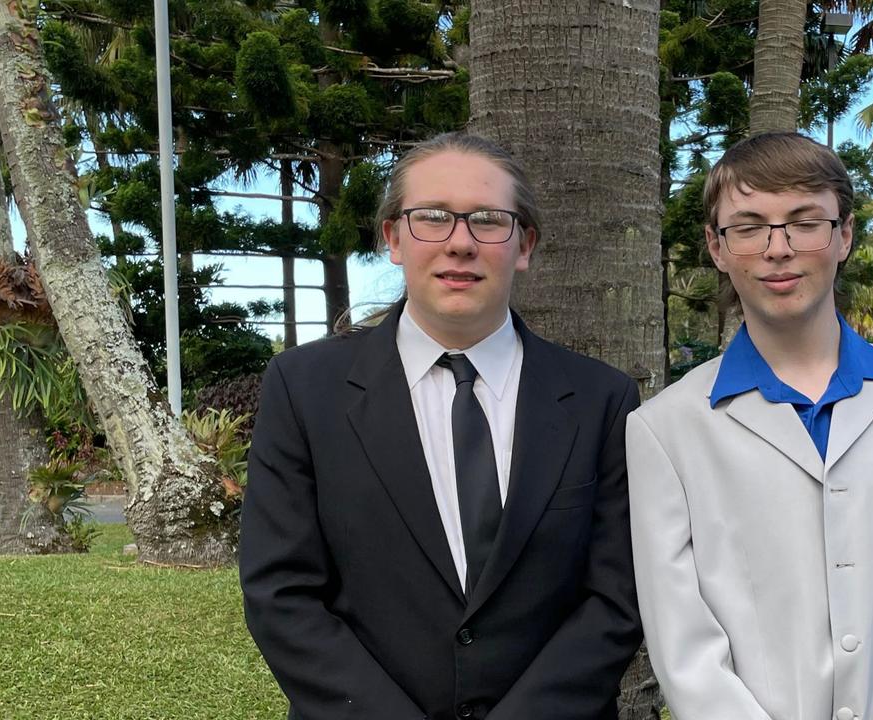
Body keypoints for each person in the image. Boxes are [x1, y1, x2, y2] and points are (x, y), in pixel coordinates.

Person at [240, 132, 643, 720]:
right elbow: (281, 592)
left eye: (487, 220)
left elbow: (616, 599)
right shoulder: (304, 389)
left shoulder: (601, 399)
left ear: (524, 245)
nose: (460, 244)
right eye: (432, 218)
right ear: (393, 239)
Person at [627, 132, 873, 720]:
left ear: (844, 234)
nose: (778, 248)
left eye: (805, 222)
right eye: (748, 227)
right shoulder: (664, 429)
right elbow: (684, 644)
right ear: (716, 247)